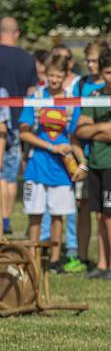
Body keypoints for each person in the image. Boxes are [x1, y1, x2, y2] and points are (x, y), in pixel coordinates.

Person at [18, 54, 87, 269]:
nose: (54, 80)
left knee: (59, 216)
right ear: (45, 75)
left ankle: (55, 260)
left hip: (61, 169)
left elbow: (75, 136)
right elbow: (24, 133)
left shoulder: (69, 102)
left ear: (65, 77)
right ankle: (33, 259)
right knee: (35, 216)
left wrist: (82, 162)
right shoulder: (36, 98)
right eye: (50, 76)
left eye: (58, 76)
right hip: (37, 165)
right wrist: (50, 147)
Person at [75, 49, 111, 280]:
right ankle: (102, 263)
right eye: (108, 72)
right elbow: (80, 130)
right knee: (98, 215)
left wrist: (96, 128)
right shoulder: (95, 95)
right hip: (95, 162)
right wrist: (103, 127)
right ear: (101, 72)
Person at [0, 17, 38, 235]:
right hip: (18, 123)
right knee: (10, 176)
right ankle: (6, 219)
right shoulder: (27, 59)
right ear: (17, 33)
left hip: (1, 124)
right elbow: (32, 95)